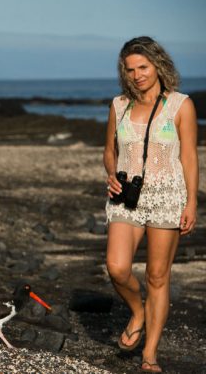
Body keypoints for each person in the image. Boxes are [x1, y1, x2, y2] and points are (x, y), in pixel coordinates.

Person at [104, 36, 198, 373]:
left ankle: (150, 355)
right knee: (117, 267)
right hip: (125, 198)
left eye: (142, 67)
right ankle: (138, 311)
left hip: (167, 196)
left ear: (158, 65)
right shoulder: (119, 105)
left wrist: (191, 203)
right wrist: (111, 173)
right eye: (130, 69)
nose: (137, 74)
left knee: (158, 277)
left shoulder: (180, 105)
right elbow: (110, 150)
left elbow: (189, 157)